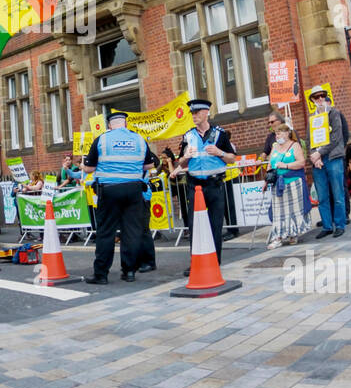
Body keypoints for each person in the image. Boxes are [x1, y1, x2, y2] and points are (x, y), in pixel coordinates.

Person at [83, 110, 156, 284]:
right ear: (126, 124)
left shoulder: (102, 140)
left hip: (109, 190)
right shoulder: (139, 139)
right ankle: (129, 271)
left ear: (109, 125)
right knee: (131, 231)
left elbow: (88, 168)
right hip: (134, 190)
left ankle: (101, 274)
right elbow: (150, 164)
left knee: (106, 232)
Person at [171, 99, 238, 267]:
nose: (193, 116)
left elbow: (231, 159)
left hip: (215, 185)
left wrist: (219, 152)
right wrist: (186, 156)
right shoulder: (189, 136)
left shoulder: (219, 134)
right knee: (195, 226)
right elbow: (181, 163)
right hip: (195, 187)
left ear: (206, 113)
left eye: (196, 113)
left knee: (216, 225)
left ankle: (215, 262)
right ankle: (197, 263)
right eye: (192, 113)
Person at [306, 88, 351, 238]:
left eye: (322, 96)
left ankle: (340, 224)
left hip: (333, 157)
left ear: (326, 98)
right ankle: (326, 225)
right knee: (322, 195)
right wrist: (314, 156)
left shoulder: (333, 113)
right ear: (312, 100)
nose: (320, 99)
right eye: (316, 97)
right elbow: (309, 140)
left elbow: (337, 137)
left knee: (338, 193)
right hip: (318, 161)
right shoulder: (312, 117)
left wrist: (320, 153)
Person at [266, 123, 311, 248]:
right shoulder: (274, 147)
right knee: (278, 211)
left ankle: (293, 234)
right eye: (276, 133)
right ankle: (278, 237)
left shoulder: (294, 145)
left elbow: (301, 162)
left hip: (293, 181)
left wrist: (286, 166)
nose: (277, 135)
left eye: (279, 133)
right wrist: (266, 179)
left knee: (293, 210)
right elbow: (270, 163)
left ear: (287, 133)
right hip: (277, 183)